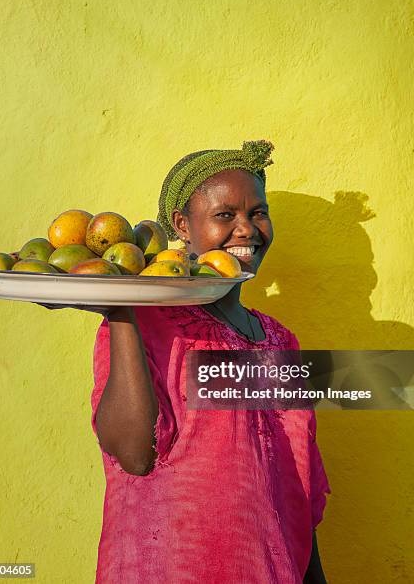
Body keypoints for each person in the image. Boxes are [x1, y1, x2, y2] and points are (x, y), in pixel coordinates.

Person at [91, 140, 331, 583]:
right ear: (182, 225)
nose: (247, 229)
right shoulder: (145, 322)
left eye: (258, 212)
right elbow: (134, 456)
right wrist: (120, 309)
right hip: (169, 567)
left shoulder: (282, 340)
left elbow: (300, 486)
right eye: (225, 215)